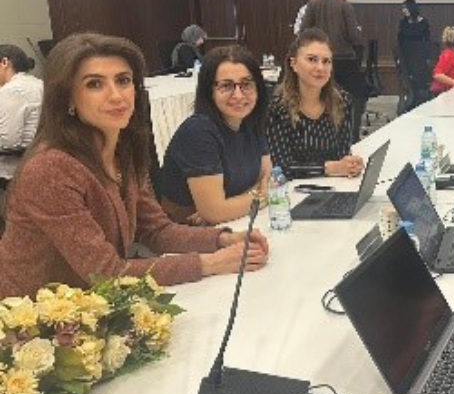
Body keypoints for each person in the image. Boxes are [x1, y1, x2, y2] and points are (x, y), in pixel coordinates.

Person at [0, 33, 268, 296]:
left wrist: (223, 239)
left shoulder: (120, 152)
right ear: (67, 96)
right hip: (32, 314)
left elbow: (157, 231)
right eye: (95, 84)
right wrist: (211, 263)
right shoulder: (51, 169)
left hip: (88, 304)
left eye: (123, 80)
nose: (117, 96)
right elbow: (107, 273)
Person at [158, 45, 271, 225]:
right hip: (188, 233)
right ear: (209, 91)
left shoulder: (251, 122)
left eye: (246, 84)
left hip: (237, 222)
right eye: (226, 86)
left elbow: (267, 177)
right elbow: (215, 212)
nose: (238, 95)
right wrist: (262, 196)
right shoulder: (198, 132)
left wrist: (233, 205)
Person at [267, 28, 364, 179]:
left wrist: (350, 165)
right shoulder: (277, 107)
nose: (320, 68)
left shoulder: (342, 101)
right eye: (312, 59)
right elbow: (280, 166)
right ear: (293, 63)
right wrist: (328, 168)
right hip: (291, 189)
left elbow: (342, 154)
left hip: (334, 185)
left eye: (326, 61)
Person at [301, 0, 367, 142]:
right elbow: (354, 37)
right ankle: (351, 136)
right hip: (344, 59)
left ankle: (322, 136)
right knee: (356, 96)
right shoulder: (345, 6)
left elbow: (303, 32)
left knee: (323, 98)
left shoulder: (313, 4)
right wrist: (358, 33)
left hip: (320, 61)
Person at [0, 45, 44, 183]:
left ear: (4, 62)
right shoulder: (39, 84)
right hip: (38, 163)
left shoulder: (12, 90)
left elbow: (8, 140)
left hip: (11, 172)